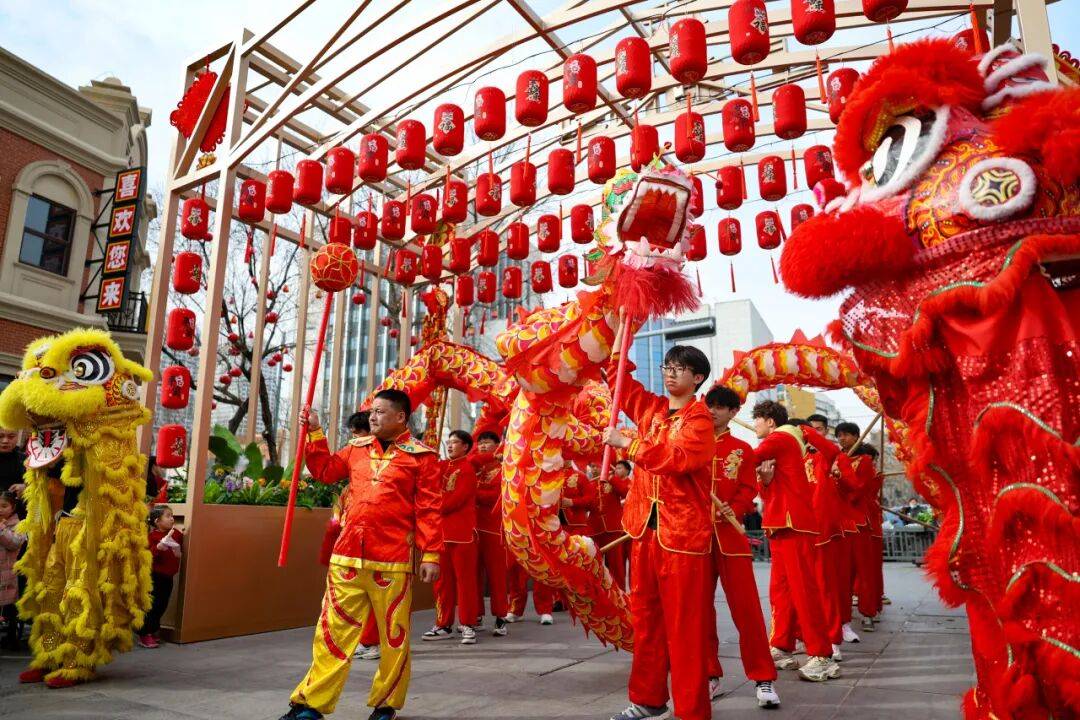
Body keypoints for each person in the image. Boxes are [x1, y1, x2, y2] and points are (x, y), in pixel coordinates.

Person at [279, 390, 442, 720]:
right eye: (372, 411)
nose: (372, 417)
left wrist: (431, 555)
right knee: (331, 633)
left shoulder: (423, 458)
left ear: (401, 417)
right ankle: (311, 704)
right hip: (347, 555)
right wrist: (314, 431)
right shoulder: (356, 449)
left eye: (380, 412)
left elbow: (429, 508)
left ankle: (386, 705)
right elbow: (325, 471)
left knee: (394, 637)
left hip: (393, 559)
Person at [603, 339, 716, 720]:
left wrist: (629, 444)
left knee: (684, 627)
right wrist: (618, 343)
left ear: (697, 378)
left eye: (679, 369)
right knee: (645, 621)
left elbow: (678, 459)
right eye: (668, 366)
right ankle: (648, 700)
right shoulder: (650, 409)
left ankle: (692, 710)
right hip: (644, 532)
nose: (670, 373)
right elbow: (619, 383)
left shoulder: (700, 421)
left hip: (682, 537)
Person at [752, 400, 840, 682]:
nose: (754, 425)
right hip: (781, 525)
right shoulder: (783, 445)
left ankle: (822, 654)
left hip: (794, 524)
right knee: (781, 591)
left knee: (804, 590)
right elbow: (768, 491)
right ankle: (781, 644)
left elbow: (746, 458)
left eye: (757, 419)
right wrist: (766, 480)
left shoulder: (781, 437)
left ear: (770, 421)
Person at [703, 387, 780, 709]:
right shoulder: (690, 445)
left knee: (747, 610)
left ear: (734, 412)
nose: (713, 411)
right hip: (694, 540)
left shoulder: (743, 450)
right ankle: (709, 674)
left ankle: (763, 677)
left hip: (731, 538)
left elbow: (749, 489)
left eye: (721, 407)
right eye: (710, 405)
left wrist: (733, 508)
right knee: (699, 611)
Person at [424, 430, 481, 645]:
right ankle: (443, 624)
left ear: (465, 446)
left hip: (462, 535)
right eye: (448, 442)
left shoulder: (467, 469)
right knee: (442, 582)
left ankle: (468, 624)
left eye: (455, 442)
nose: (449, 445)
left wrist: (431, 506)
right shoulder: (441, 466)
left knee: (465, 582)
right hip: (442, 534)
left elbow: (455, 500)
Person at [335, 412, 382, 662]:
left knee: (376, 594)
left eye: (357, 433)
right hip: (353, 541)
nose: (352, 439)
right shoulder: (355, 458)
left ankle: (373, 641)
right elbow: (325, 470)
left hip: (382, 542)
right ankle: (365, 639)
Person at [837, 419, 885, 632]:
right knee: (842, 573)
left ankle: (868, 612)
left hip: (859, 523)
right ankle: (842, 615)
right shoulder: (835, 459)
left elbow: (858, 490)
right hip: (838, 523)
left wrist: (840, 477)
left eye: (846, 434)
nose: (842, 438)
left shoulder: (864, 461)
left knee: (864, 570)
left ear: (857, 437)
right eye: (839, 435)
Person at [471, 430, 510, 635]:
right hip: (472, 529)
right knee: (473, 575)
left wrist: (470, 492)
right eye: (480, 443)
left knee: (497, 576)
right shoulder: (474, 467)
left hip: (494, 529)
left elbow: (494, 496)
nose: (483, 446)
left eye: (487, 442)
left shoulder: (504, 469)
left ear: (497, 445)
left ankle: (501, 616)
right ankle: (475, 614)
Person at [138, 505, 182, 649]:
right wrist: (158, 548)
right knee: (153, 605)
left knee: (162, 605)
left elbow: (180, 544)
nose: (172, 519)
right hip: (155, 577)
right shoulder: (152, 537)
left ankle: (152, 630)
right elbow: (148, 557)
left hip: (168, 577)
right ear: (157, 521)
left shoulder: (175, 533)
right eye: (168, 516)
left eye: (172, 515)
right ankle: (144, 633)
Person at [589, 460, 630, 590]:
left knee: (616, 565)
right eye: (591, 467)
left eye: (596, 466)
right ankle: (600, 593)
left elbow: (626, 492)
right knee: (596, 565)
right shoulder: (589, 483)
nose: (593, 469)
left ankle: (620, 593)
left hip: (613, 529)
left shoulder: (613, 480)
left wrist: (611, 478)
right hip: (595, 529)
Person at [0, 490, 25, 650]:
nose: (0, 509)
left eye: (4, 506)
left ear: (13, 507)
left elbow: (15, 542)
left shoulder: (18, 525)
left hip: (9, 573)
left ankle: (11, 636)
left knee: (9, 609)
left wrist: (1, 529)